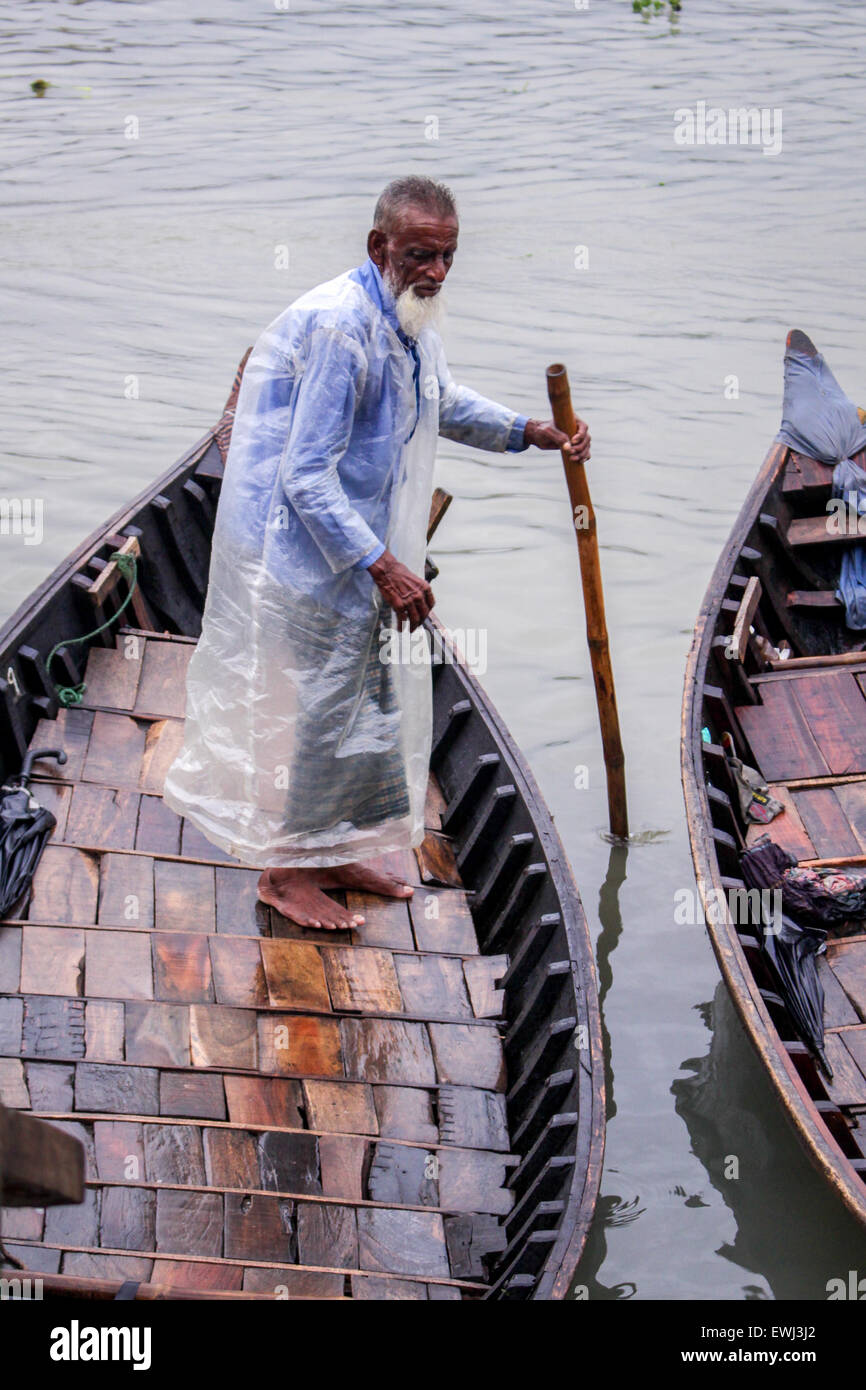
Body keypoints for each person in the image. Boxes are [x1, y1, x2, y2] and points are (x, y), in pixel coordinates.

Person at [162, 175, 590, 930]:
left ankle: (330, 849)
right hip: (302, 554)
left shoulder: (409, 319)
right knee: (312, 717)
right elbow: (302, 475)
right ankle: (284, 877)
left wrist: (531, 431)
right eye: (422, 254)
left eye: (449, 256)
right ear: (379, 247)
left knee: (356, 712)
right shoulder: (340, 327)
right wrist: (384, 564)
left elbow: (443, 403)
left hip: (357, 550)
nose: (437, 271)